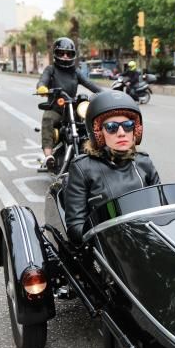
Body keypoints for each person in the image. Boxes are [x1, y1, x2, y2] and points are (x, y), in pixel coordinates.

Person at [63, 91, 160, 244]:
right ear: (98, 133)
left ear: (136, 130)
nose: (122, 133)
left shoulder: (144, 162)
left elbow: (161, 208)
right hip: (109, 248)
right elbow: (75, 227)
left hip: (146, 241)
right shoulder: (82, 168)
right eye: (112, 127)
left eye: (128, 125)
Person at [35, 38, 102, 168]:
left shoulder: (75, 71)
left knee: (89, 121)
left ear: (73, 55)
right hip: (56, 108)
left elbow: (90, 84)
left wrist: (105, 94)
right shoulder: (51, 69)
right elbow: (43, 80)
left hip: (73, 107)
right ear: (56, 54)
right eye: (61, 53)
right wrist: (42, 88)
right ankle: (48, 155)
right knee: (47, 118)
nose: (65, 56)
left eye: (68, 54)